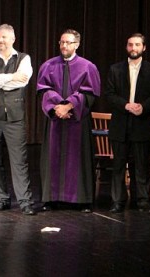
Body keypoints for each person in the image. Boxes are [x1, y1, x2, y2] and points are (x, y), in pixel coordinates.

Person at [37, 29, 101, 212]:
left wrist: (70, 105)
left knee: (78, 160)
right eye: (62, 42)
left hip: (77, 121)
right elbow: (43, 90)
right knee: (52, 158)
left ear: (77, 45)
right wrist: (58, 107)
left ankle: (82, 200)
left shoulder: (87, 67)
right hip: (55, 120)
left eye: (68, 42)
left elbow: (90, 93)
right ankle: (51, 199)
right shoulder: (48, 65)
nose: (64, 46)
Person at [0, 24, 36, 215]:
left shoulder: (24, 58)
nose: (1, 41)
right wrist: (11, 77)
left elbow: (23, 80)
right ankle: (2, 198)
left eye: (4, 37)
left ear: (13, 39)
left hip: (14, 117)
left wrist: (0, 80)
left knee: (19, 160)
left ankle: (25, 201)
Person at [105, 33, 150, 213]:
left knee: (141, 165)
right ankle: (117, 201)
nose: (133, 48)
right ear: (126, 47)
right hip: (120, 123)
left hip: (142, 123)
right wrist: (126, 105)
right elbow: (109, 95)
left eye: (137, 45)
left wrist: (142, 107)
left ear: (144, 47)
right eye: (130, 44)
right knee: (118, 165)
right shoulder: (115, 69)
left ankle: (142, 201)